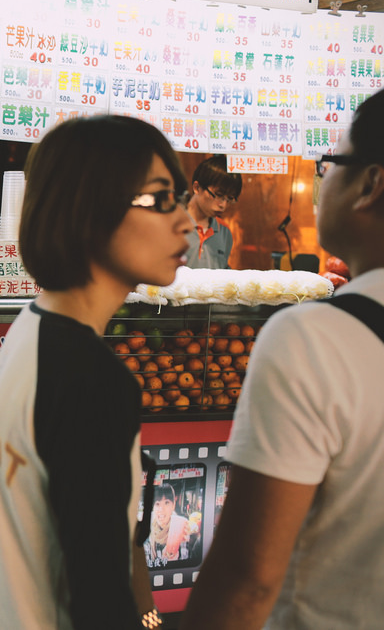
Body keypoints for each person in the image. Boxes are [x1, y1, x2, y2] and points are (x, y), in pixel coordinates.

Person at [0, 115, 192, 630]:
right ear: (90, 211)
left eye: (180, 199)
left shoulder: (35, 326)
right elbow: (99, 596)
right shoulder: (90, 377)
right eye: (159, 199)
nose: (185, 222)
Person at [180, 88, 384, 630]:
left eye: (328, 164)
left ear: (371, 184)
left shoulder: (312, 338)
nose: (319, 182)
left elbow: (247, 578)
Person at [184, 155, 241, 268]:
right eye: (219, 195)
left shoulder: (224, 232)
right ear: (197, 188)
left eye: (229, 199)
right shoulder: (173, 224)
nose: (223, 205)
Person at [144, 483, 191, 567]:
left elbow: (185, 565)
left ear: (173, 505)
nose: (161, 509)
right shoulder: (147, 530)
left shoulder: (181, 529)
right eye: (157, 504)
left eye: (166, 503)